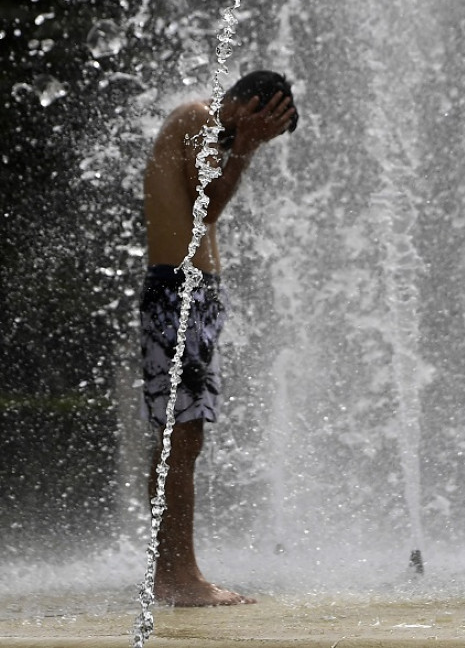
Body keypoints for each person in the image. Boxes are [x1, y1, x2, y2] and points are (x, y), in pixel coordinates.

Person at [140, 71, 298, 607]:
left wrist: (245, 145)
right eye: (262, 123)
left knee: (184, 438)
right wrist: (246, 150)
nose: (252, 137)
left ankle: (173, 575)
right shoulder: (197, 116)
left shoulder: (208, 126)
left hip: (193, 293)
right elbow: (206, 207)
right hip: (177, 291)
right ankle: (179, 579)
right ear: (251, 104)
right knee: (177, 439)